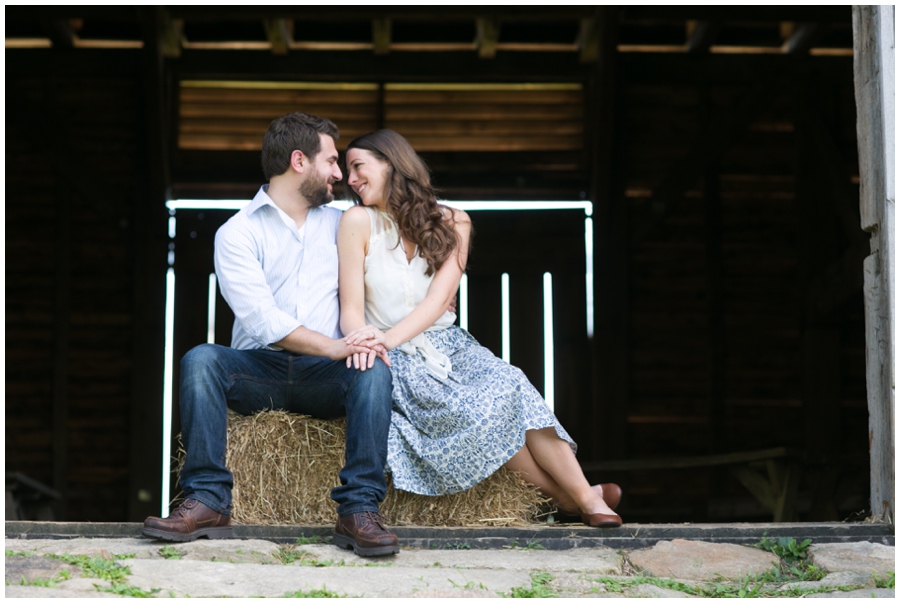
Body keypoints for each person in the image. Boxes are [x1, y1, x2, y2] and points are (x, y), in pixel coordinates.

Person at [142, 113, 400, 557]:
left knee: (372, 371)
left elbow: (392, 268)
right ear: (299, 161)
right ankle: (207, 500)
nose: (341, 174)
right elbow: (261, 320)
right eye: (333, 161)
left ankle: (358, 510)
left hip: (325, 375)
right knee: (201, 359)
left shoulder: (343, 223)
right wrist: (336, 346)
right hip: (255, 371)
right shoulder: (238, 233)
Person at [336, 129, 623, 528]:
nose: (349, 179)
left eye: (357, 166)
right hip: (390, 355)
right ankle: (582, 497)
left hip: (448, 345)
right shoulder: (356, 221)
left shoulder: (454, 221)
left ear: (391, 163)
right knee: (476, 412)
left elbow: (437, 301)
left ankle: (581, 498)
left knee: (511, 384)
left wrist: (389, 336)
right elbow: (350, 307)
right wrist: (369, 343)